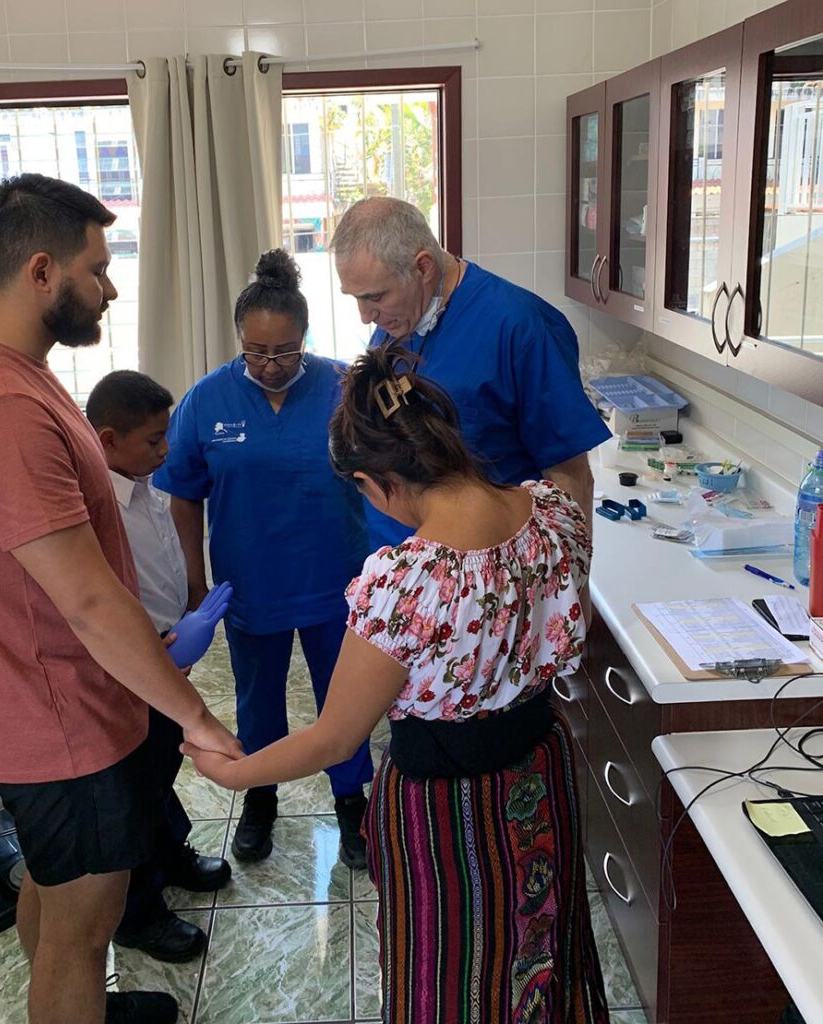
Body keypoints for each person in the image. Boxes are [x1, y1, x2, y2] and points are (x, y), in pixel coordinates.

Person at [181, 345, 610, 1024]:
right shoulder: (554, 514)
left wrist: (237, 775)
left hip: (445, 805)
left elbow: (335, 736)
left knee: (450, 968)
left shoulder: (405, 583)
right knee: (537, 940)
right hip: (539, 772)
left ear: (378, 482)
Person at [0, 174, 241, 1024]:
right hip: (59, 729)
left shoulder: (11, 373)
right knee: (82, 927)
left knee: (55, 893)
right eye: (98, 269)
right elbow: (90, 603)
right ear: (41, 271)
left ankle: (78, 1005)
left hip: (44, 711)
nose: (112, 285)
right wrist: (197, 719)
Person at [154, 249, 374, 869]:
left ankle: (352, 799)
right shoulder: (206, 401)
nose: (271, 365)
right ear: (240, 341)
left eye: (285, 351)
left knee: (343, 698)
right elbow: (183, 496)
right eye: (257, 351)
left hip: (338, 580)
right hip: (251, 583)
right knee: (258, 697)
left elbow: (385, 476)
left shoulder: (342, 387)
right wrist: (196, 585)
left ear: (305, 339)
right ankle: (259, 795)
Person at [330, 196, 611, 582]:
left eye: (375, 297)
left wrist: (572, 594)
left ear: (423, 267)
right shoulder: (394, 325)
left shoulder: (520, 327)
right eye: (356, 298)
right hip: (402, 569)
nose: (365, 316)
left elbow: (570, 477)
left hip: (486, 585)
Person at [86, 369, 233, 964]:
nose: (166, 449)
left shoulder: (143, 484)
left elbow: (162, 562)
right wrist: (160, 644)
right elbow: (102, 600)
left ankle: (170, 854)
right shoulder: (96, 504)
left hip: (170, 652)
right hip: (136, 663)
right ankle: (140, 913)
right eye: (152, 440)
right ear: (107, 439)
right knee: (134, 787)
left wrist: (188, 611)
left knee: (162, 761)